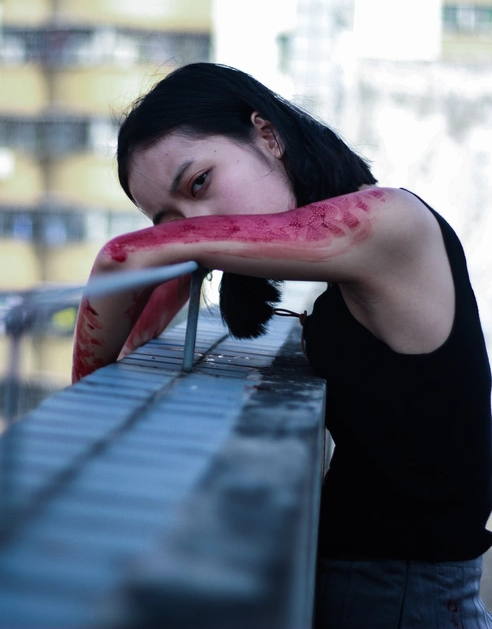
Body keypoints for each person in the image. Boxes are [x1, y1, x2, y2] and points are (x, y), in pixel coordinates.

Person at [72, 62, 492, 628]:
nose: (193, 227)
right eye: (169, 220)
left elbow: (123, 258)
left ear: (267, 136)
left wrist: (85, 419)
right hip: (374, 584)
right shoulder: (354, 245)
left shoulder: (391, 220)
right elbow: (163, 272)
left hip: (404, 599)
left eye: (199, 183)